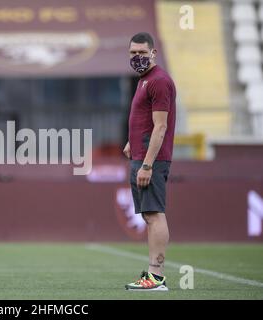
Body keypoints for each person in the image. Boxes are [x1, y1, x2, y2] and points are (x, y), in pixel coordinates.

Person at [123, 32, 176, 291]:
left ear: (153, 53)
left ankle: (156, 278)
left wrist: (147, 164)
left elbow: (161, 127)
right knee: (149, 215)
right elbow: (145, 120)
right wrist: (132, 143)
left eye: (142, 53)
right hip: (141, 155)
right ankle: (154, 276)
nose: (137, 57)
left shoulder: (159, 81)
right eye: (133, 53)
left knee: (155, 215)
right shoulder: (145, 80)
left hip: (150, 161)